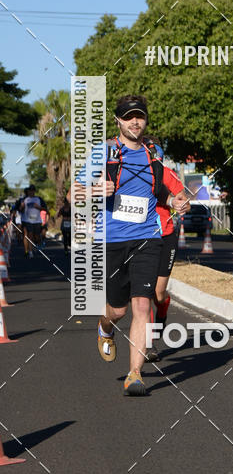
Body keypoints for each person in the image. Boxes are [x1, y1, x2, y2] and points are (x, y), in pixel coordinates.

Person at [74, 95, 186, 396]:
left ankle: (134, 373)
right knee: (119, 310)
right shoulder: (104, 152)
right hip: (112, 240)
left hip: (148, 237)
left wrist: (171, 200)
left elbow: (158, 189)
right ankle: (105, 326)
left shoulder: (154, 151)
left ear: (146, 119)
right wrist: (97, 188)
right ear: (118, 121)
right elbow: (73, 195)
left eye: (139, 116)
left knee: (141, 304)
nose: (134, 121)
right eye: (128, 117)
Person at [145, 163, 189, 362]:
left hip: (166, 235)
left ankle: (163, 306)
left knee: (158, 293)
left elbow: (183, 199)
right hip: (141, 237)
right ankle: (148, 345)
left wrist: (183, 205)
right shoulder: (129, 169)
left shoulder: (164, 172)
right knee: (143, 294)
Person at [19, 185, 48, 259]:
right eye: (30, 191)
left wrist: (39, 207)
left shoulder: (39, 199)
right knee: (30, 235)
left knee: (36, 236)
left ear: (34, 191)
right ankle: (30, 252)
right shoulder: (24, 199)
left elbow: (45, 209)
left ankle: (38, 242)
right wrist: (21, 207)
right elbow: (20, 210)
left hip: (37, 220)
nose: (31, 192)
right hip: (27, 220)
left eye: (32, 190)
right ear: (28, 191)